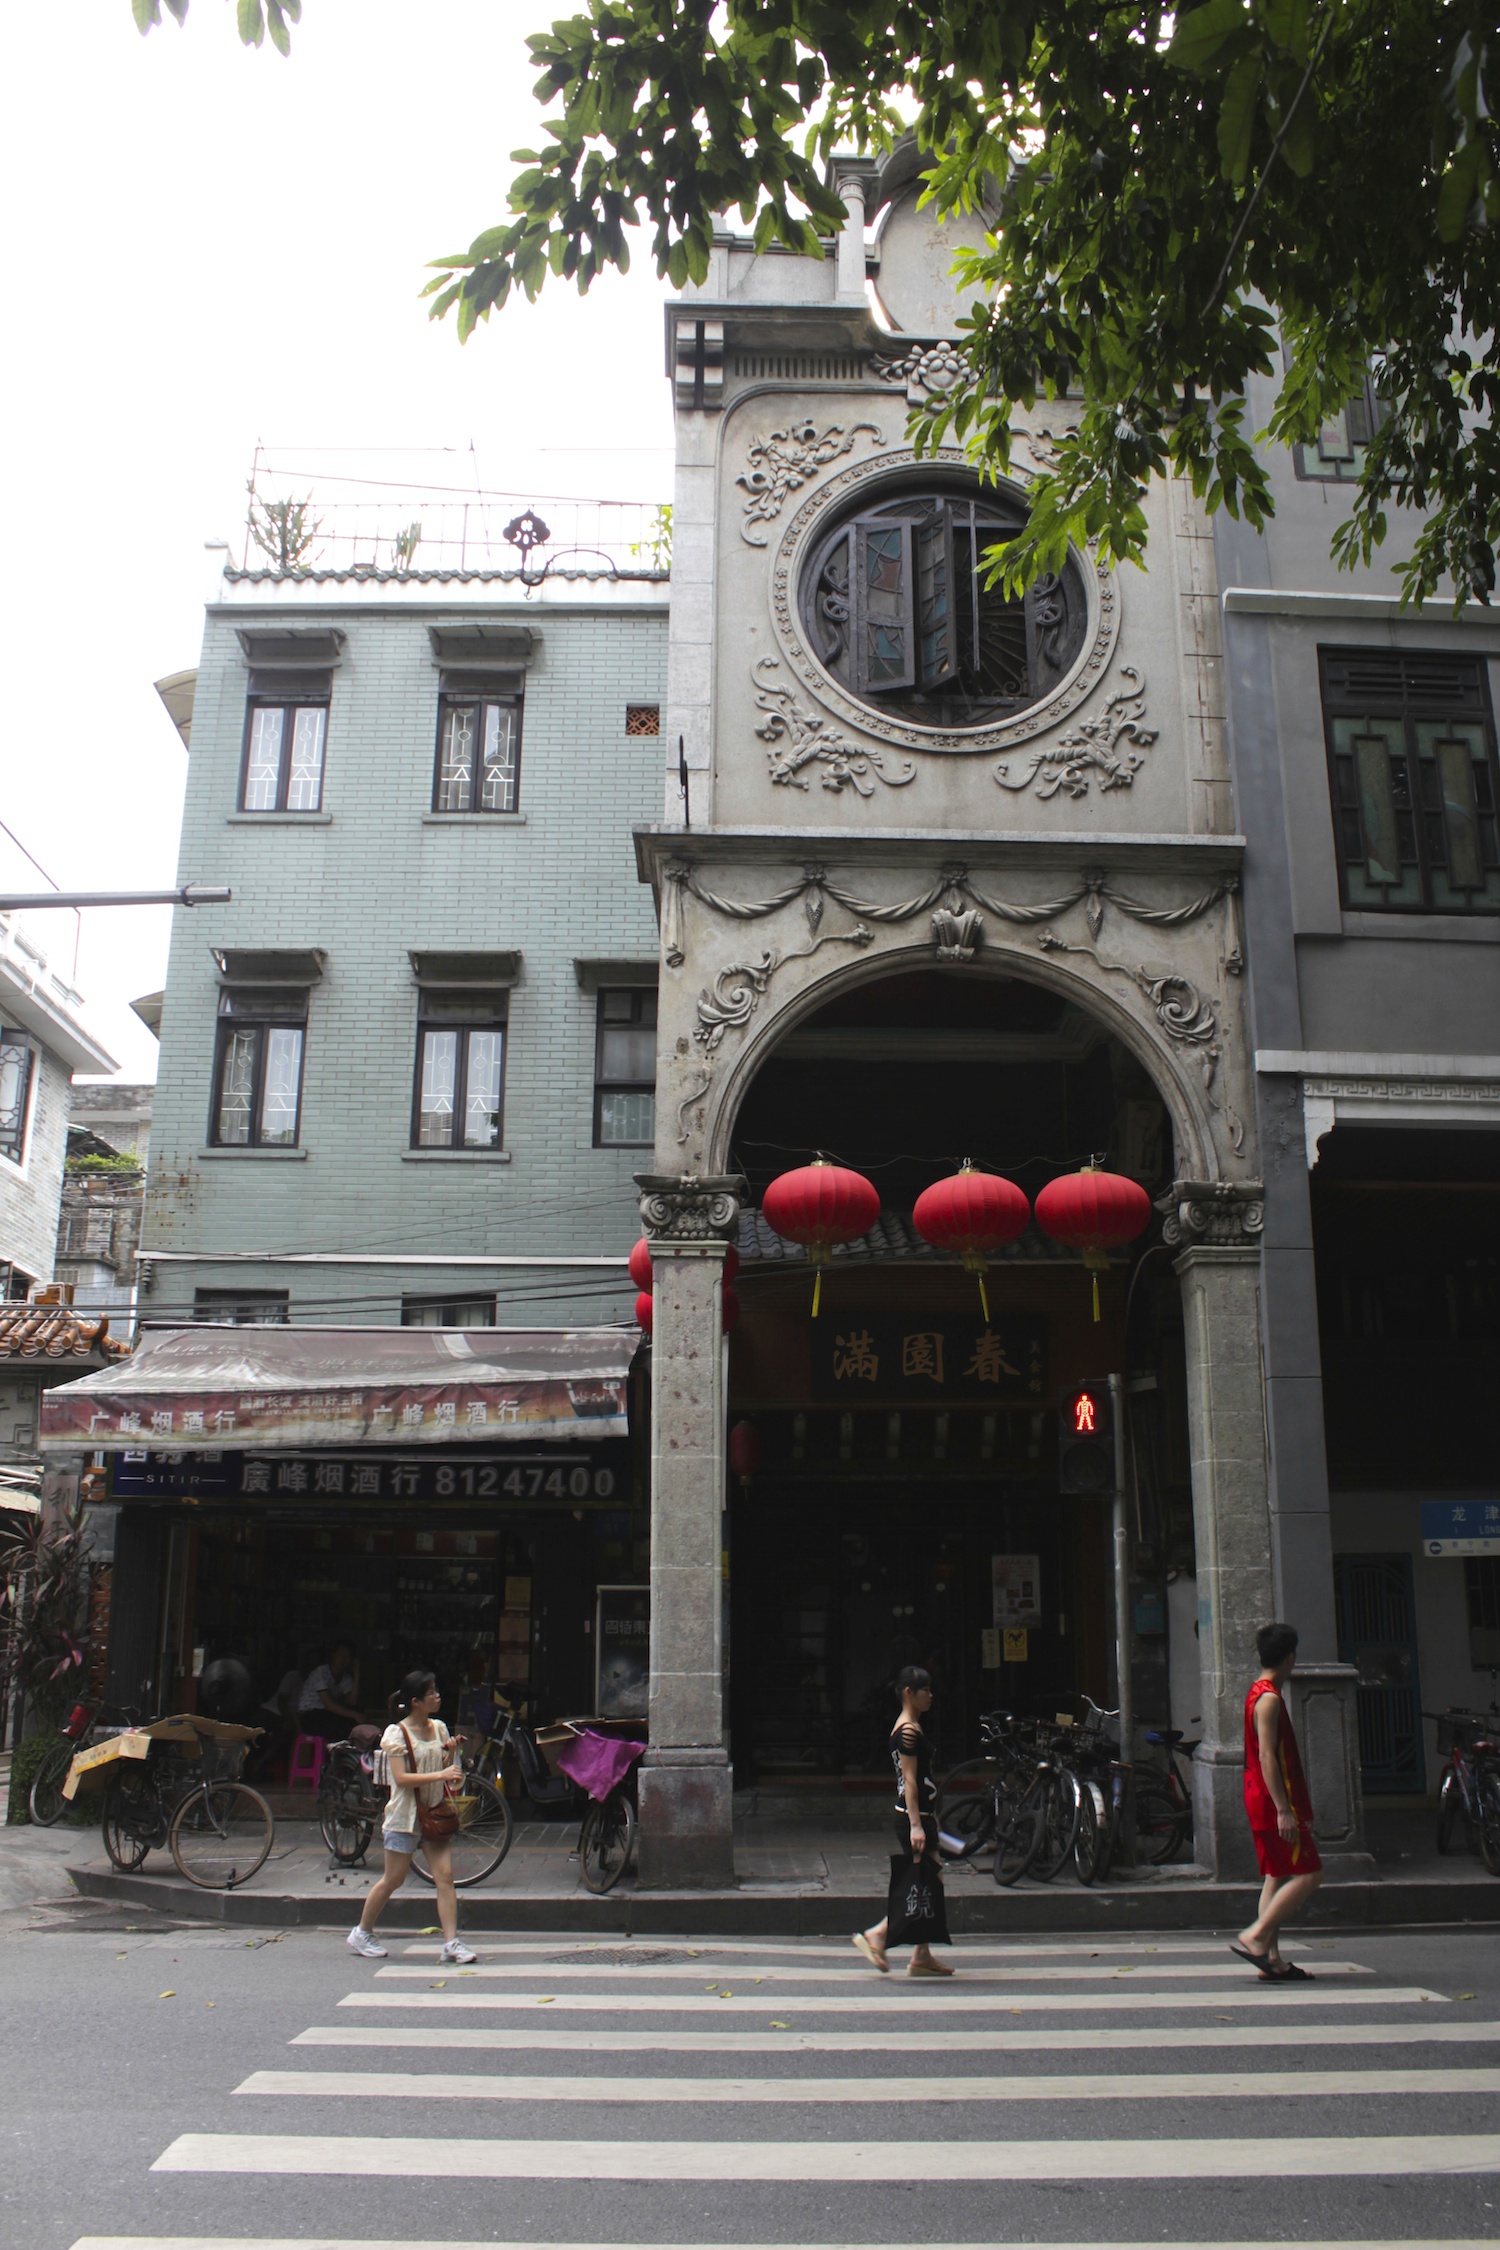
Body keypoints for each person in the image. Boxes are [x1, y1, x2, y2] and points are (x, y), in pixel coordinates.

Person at [348, 1669, 476, 1965]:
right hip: (404, 1818)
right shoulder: (397, 1733)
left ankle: (451, 1942)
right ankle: (362, 1932)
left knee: (445, 1877)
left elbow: (444, 1766)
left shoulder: (439, 1728)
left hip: (433, 1813)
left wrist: (451, 1757)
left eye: (436, 1691)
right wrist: (441, 1774)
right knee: (393, 1879)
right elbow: (401, 1778)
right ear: (416, 1701)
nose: (437, 1696)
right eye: (431, 1692)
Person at [1231, 1621, 1323, 1979]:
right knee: (1310, 1874)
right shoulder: (1269, 1699)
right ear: (1290, 1658)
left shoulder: (1257, 1691)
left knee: (1276, 1874)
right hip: (1273, 1799)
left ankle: (1272, 1960)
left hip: (1259, 1794)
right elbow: (1268, 1756)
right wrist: (1284, 1809)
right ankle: (1256, 1935)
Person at [852, 1664, 954, 1978]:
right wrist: (917, 1825)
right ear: (909, 1693)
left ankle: (921, 1954)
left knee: (927, 1883)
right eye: (925, 1690)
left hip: (921, 1816)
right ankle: (879, 1934)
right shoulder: (908, 1730)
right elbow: (909, 1781)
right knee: (923, 1883)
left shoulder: (909, 1726)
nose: (930, 1695)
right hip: (914, 1818)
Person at [297, 1642, 363, 1741]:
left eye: (347, 1657)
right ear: (333, 1655)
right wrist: (354, 1715)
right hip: (310, 1715)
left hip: (327, 1714)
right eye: (340, 1655)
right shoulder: (321, 1672)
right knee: (345, 1723)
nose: (343, 1659)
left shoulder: (346, 1678)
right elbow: (328, 1704)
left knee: (356, 1715)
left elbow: (352, 1702)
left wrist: (357, 1674)